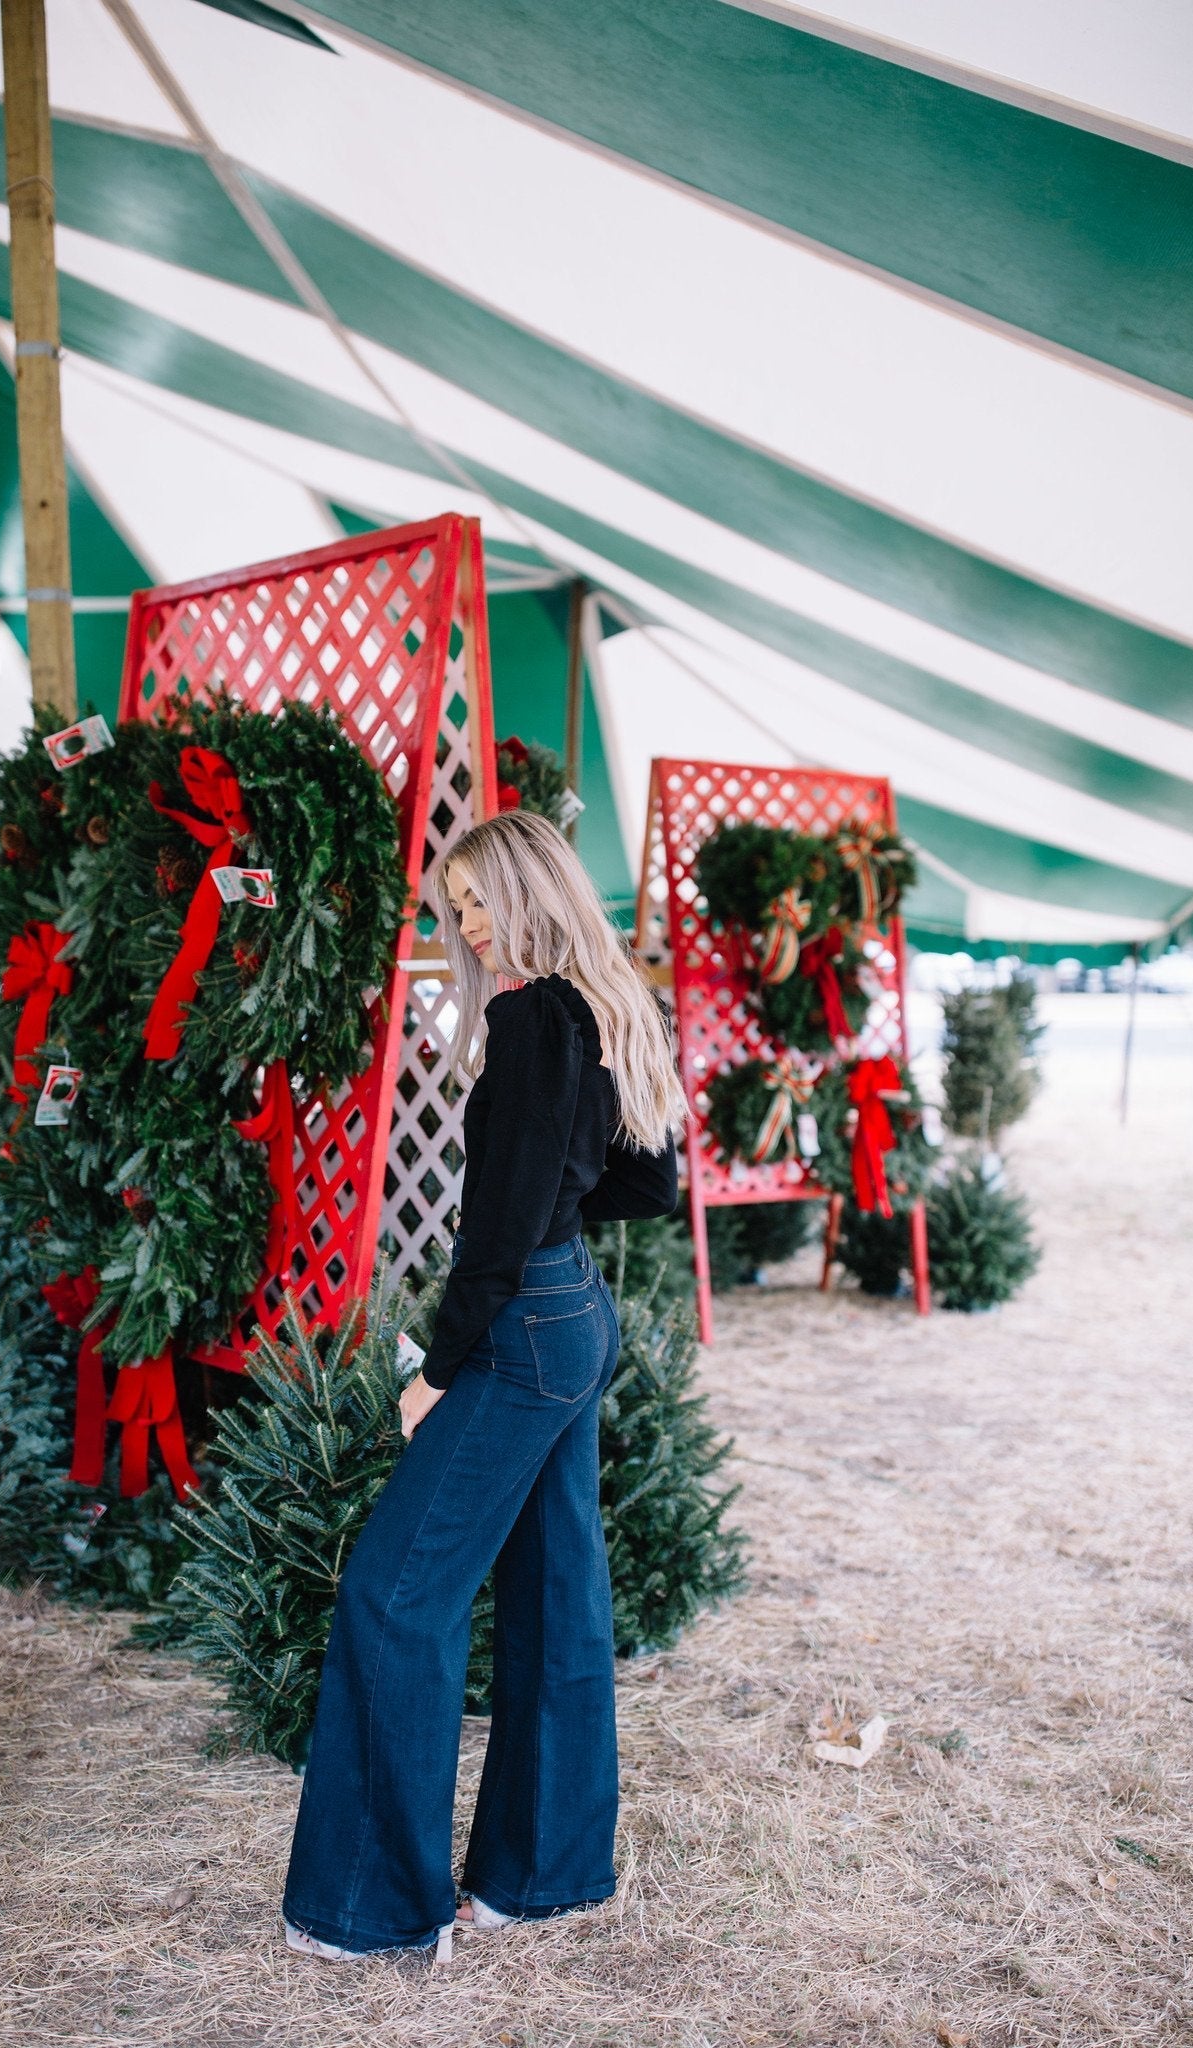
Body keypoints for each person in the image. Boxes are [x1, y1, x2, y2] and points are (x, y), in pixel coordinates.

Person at [281, 809, 683, 1959]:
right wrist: (557, 1205)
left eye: (478, 900)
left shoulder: (525, 1019)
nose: (466, 925)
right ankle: (545, 1875)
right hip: (578, 1316)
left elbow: (496, 1230)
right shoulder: (606, 1006)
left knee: (394, 1593)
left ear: (532, 890)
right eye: (452, 908)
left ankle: (376, 1909)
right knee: (558, 1595)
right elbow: (649, 1187)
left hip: (520, 1330)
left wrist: (438, 1370)